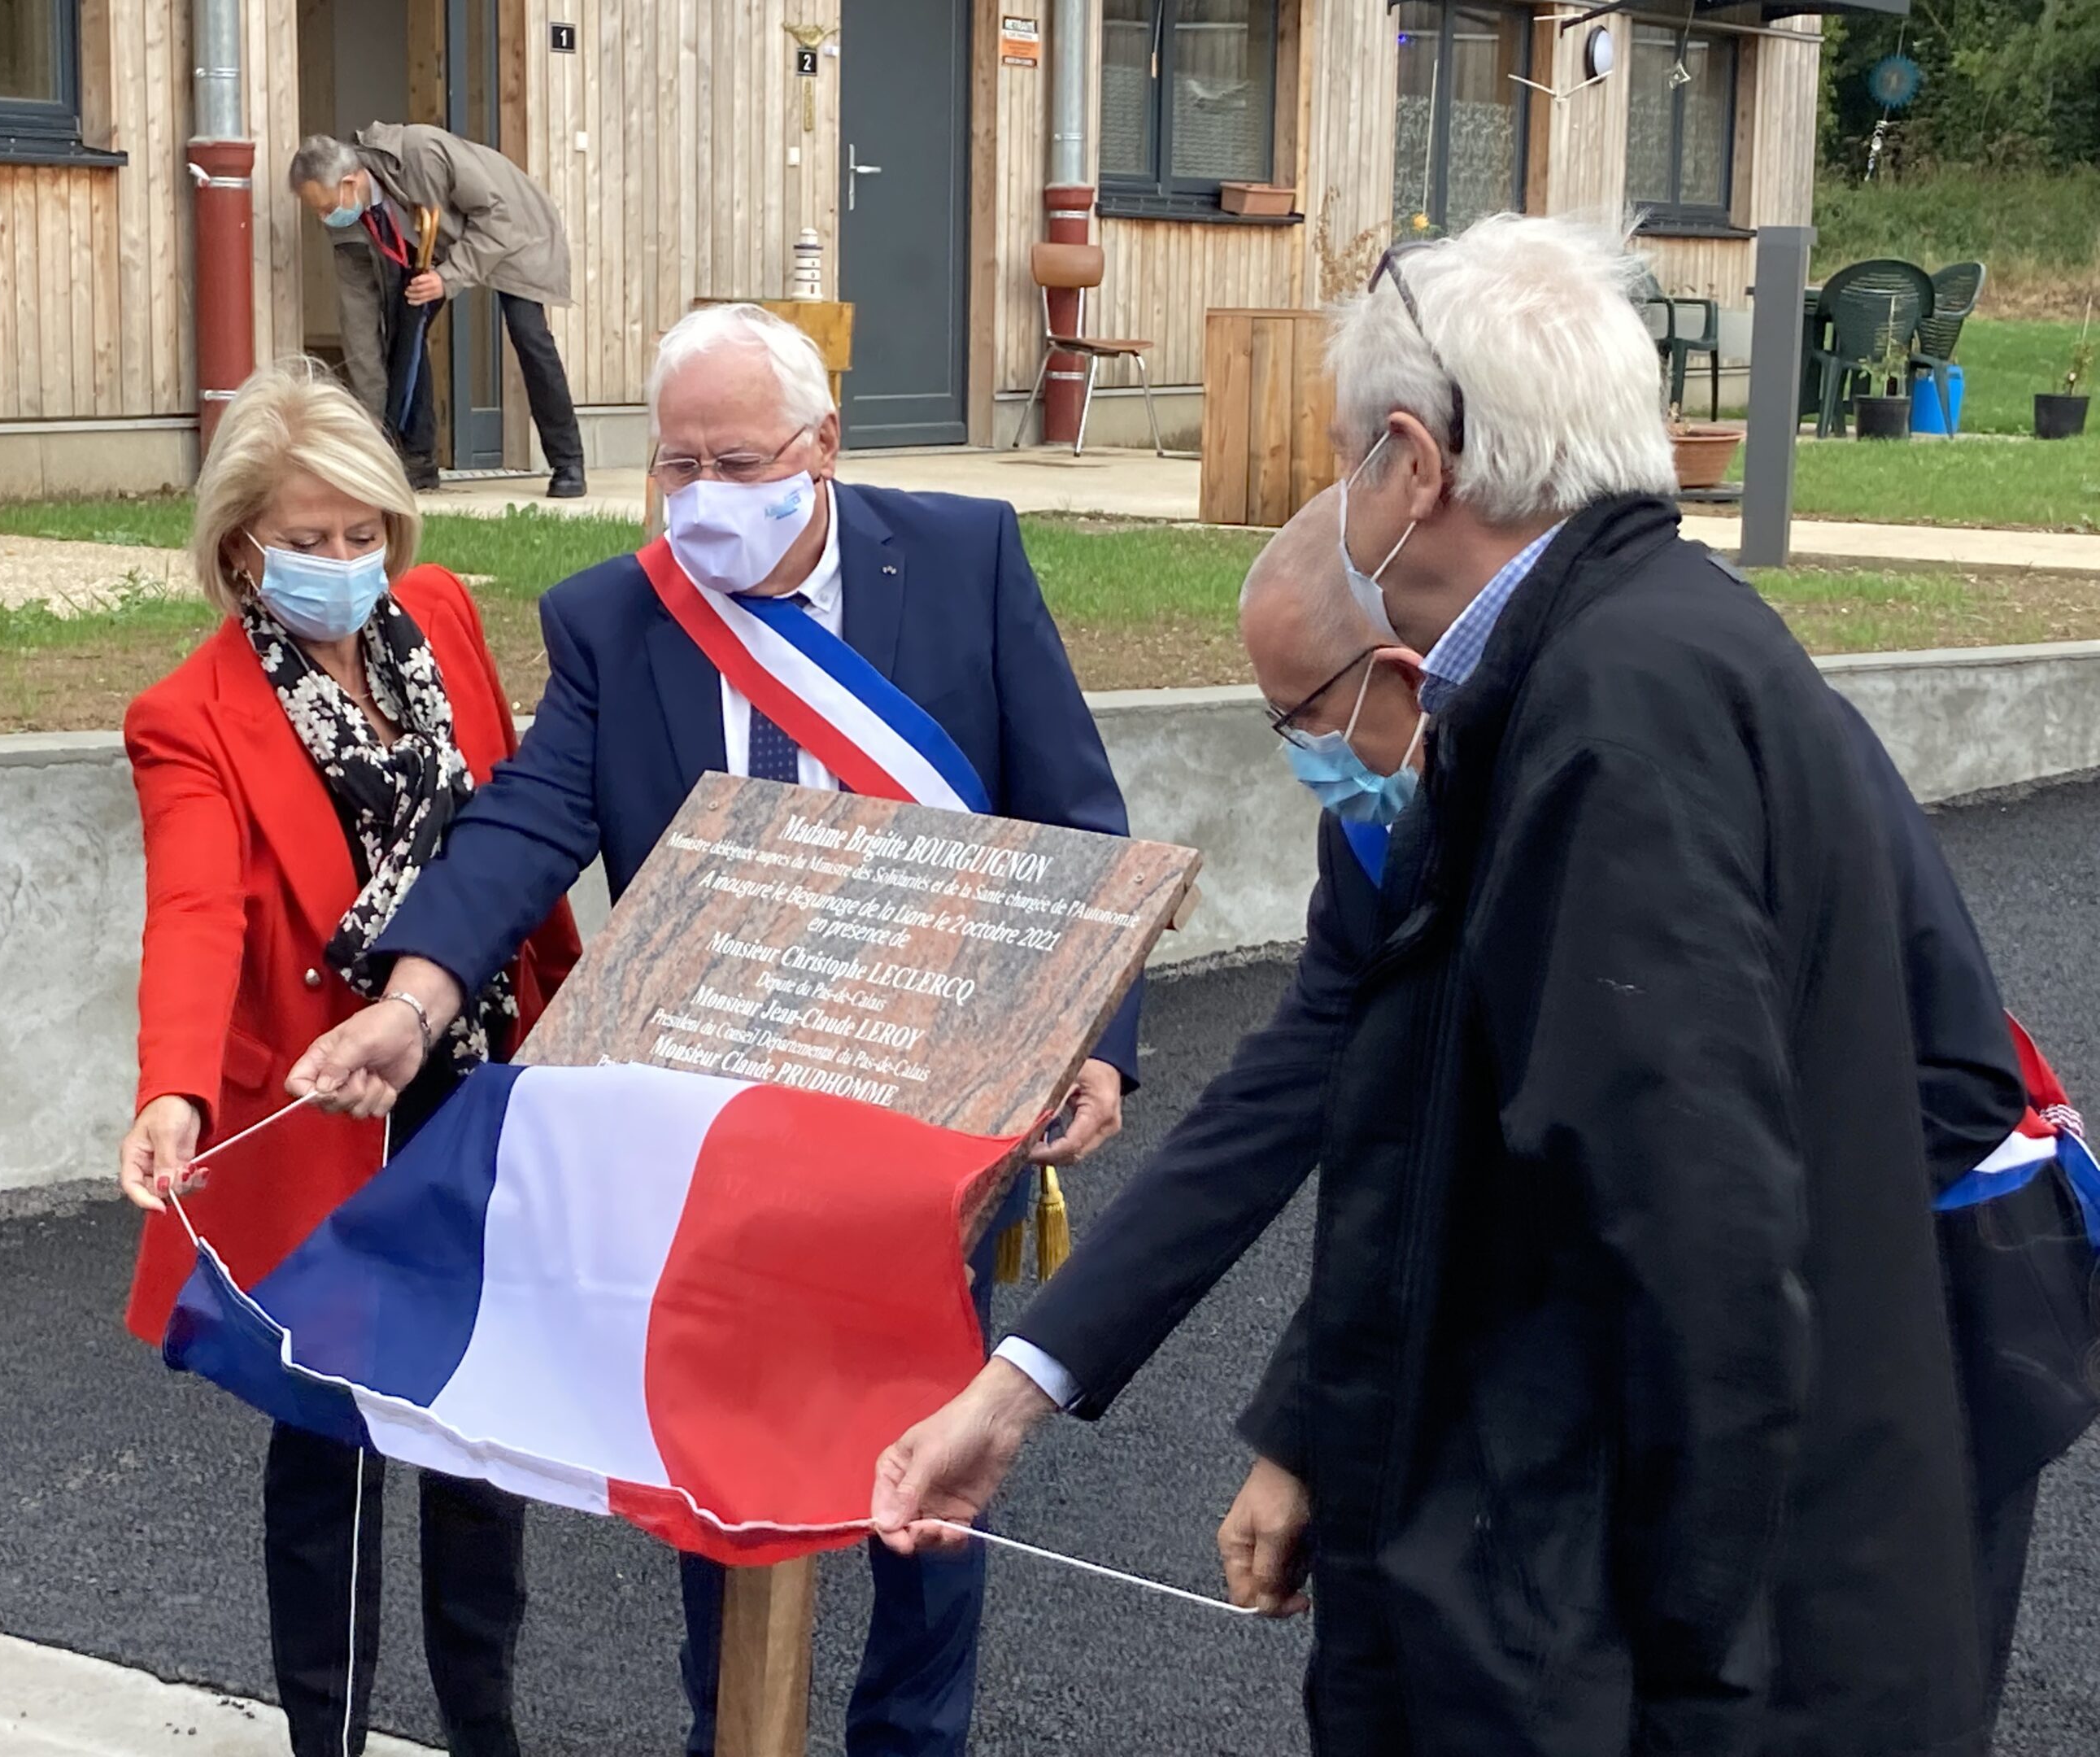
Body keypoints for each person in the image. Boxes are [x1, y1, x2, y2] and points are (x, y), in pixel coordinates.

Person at [878, 215, 1999, 1755]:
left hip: (1619, 1616)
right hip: (1576, 1558)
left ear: (1416, 462)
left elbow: (1695, 1238)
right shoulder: (1597, 671)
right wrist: (1195, 1411)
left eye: (1343, 465)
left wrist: (1700, 1685)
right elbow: (1375, 1097)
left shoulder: (1613, 720)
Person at [282, 301, 1140, 1757]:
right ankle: (731, 1733)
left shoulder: (964, 560)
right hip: (723, 1126)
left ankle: (910, 1743)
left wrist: (1099, 1043)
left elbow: (1079, 821)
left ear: (822, 449)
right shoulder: (618, 615)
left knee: (925, 1479)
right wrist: (417, 1004)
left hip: (927, 1112)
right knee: (725, 1467)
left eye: (736, 461)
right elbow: (531, 820)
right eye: (675, 465)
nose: (702, 497)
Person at [113, 359, 582, 1757]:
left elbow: (508, 818)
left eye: (361, 533)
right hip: (331, 1105)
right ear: (239, 551)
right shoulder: (188, 713)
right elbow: (197, 912)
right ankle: (329, 1733)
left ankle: (484, 1726)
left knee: (483, 1435)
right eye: (306, 542)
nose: (341, 564)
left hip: (482, 1067)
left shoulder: (436, 614)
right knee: (334, 1449)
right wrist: (174, 1087)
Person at [291, 128, 585, 498]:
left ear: (350, 182)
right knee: (406, 331)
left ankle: (568, 462)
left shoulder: (420, 153)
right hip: (439, 244)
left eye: (325, 206)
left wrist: (447, 278)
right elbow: (361, 327)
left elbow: (497, 215)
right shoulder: (348, 223)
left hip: (513, 229)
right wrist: (372, 434)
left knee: (529, 335)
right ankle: (416, 461)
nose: (323, 217)